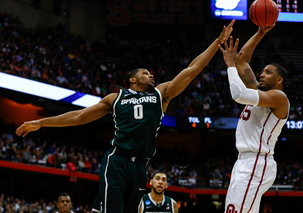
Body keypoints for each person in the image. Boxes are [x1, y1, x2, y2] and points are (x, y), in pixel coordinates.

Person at [15, 20, 235, 213]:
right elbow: (79, 117)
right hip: (117, 160)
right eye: (145, 73)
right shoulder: (115, 98)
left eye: (151, 73)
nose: (151, 75)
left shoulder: (161, 94)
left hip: (140, 165)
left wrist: (217, 42)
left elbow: (191, 70)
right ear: (132, 80)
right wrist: (41, 122)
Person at [218, 25, 289, 213]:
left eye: (268, 72)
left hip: (257, 162)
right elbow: (242, 60)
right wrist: (261, 33)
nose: (261, 74)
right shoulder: (259, 92)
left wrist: (230, 66)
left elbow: (238, 94)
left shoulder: (278, 98)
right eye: (262, 71)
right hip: (244, 161)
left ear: (279, 80)